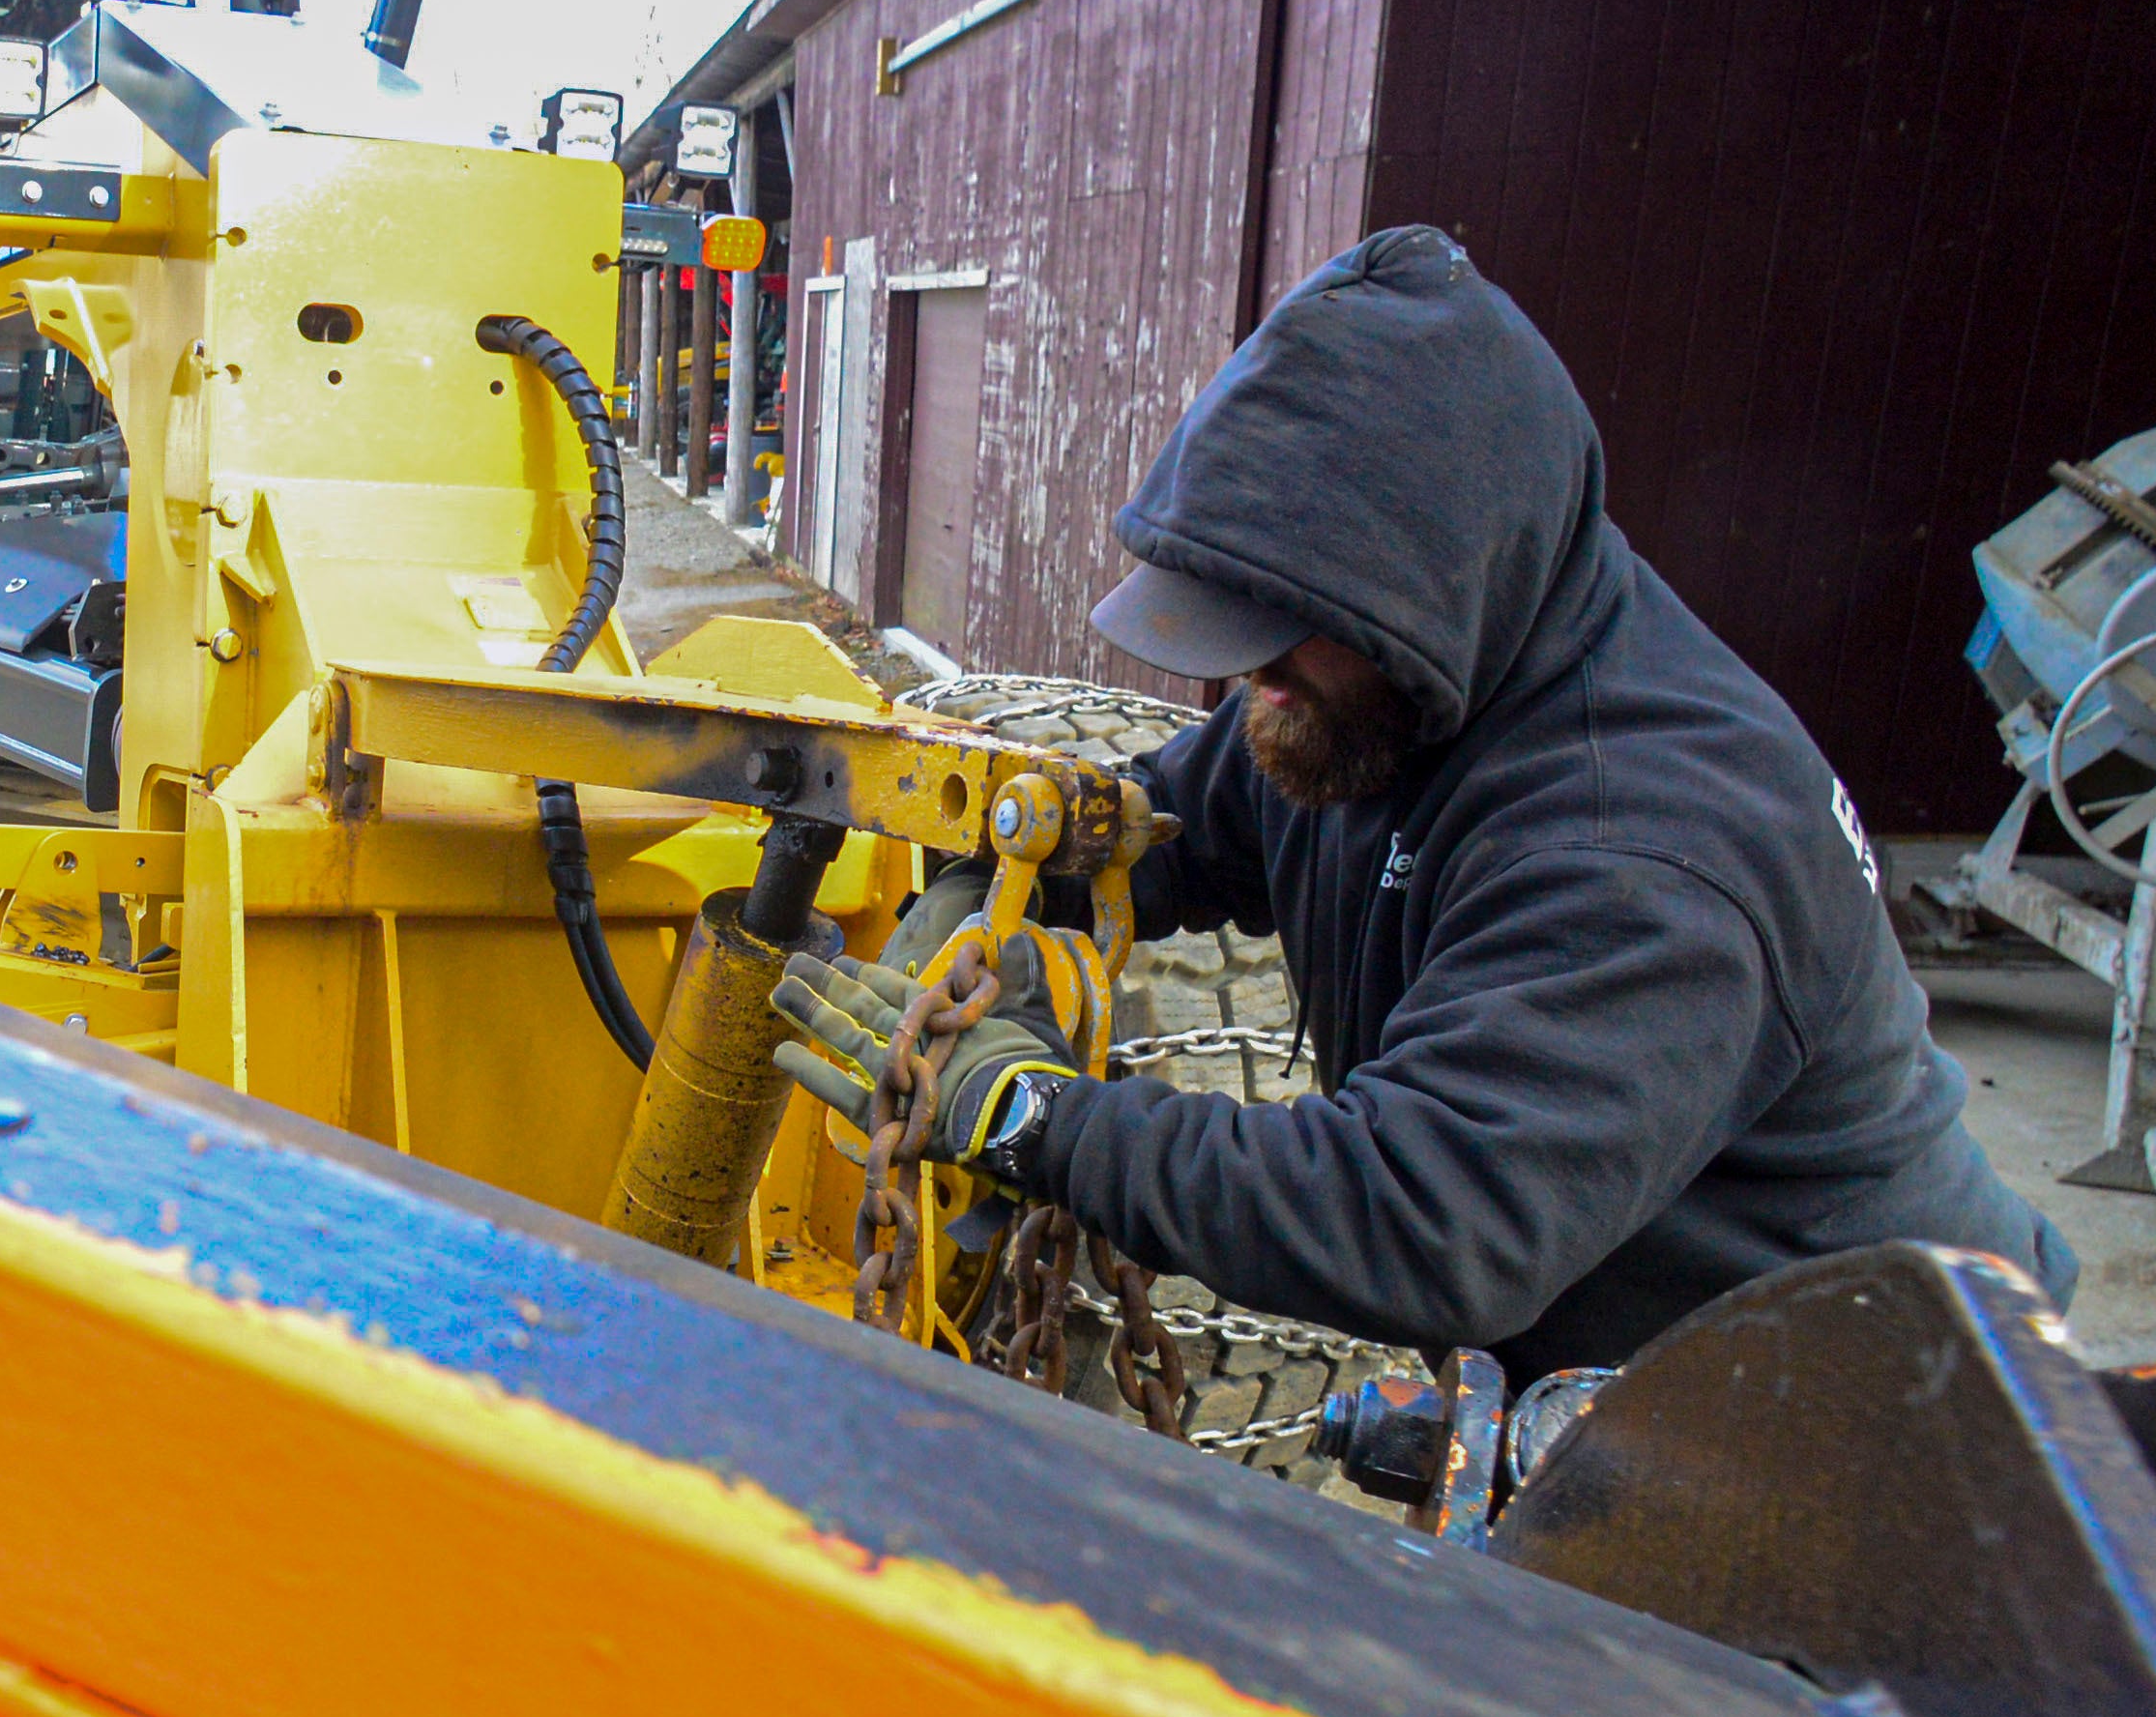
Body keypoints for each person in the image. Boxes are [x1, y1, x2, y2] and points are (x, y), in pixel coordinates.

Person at [773, 225, 2068, 1379]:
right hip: (1640, 1403)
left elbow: (1419, 1220)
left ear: (1439, 591)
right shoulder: (1358, 699)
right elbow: (1155, 827)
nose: (1248, 678)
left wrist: (1030, 1113)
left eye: (1291, 633)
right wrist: (986, 889)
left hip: (1887, 1442)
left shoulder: (1653, 845)